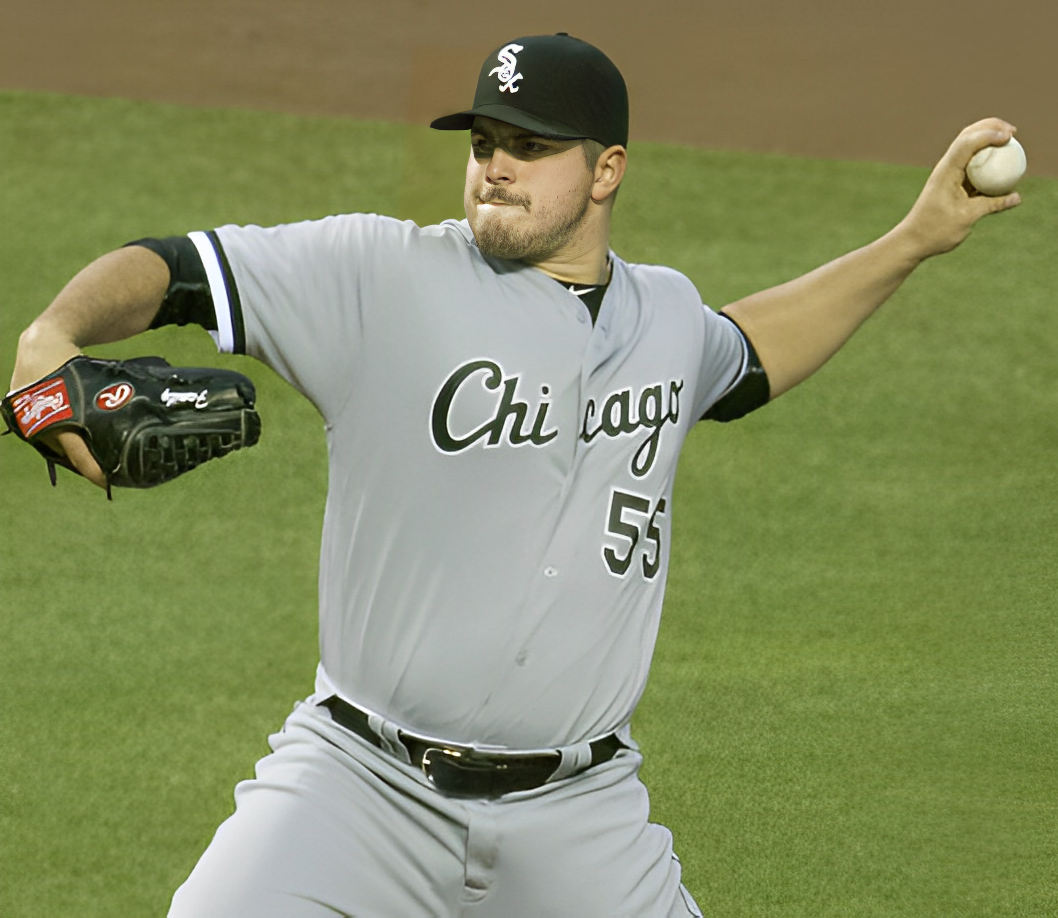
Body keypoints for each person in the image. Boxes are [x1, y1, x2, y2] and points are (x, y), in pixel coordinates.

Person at [9, 32, 1020, 918]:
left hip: (580, 819)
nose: (494, 167)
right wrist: (51, 339)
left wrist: (913, 241)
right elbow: (174, 266)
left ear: (605, 169)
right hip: (361, 786)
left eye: (531, 147)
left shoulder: (665, 319)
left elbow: (743, 356)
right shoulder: (378, 276)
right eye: (485, 143)